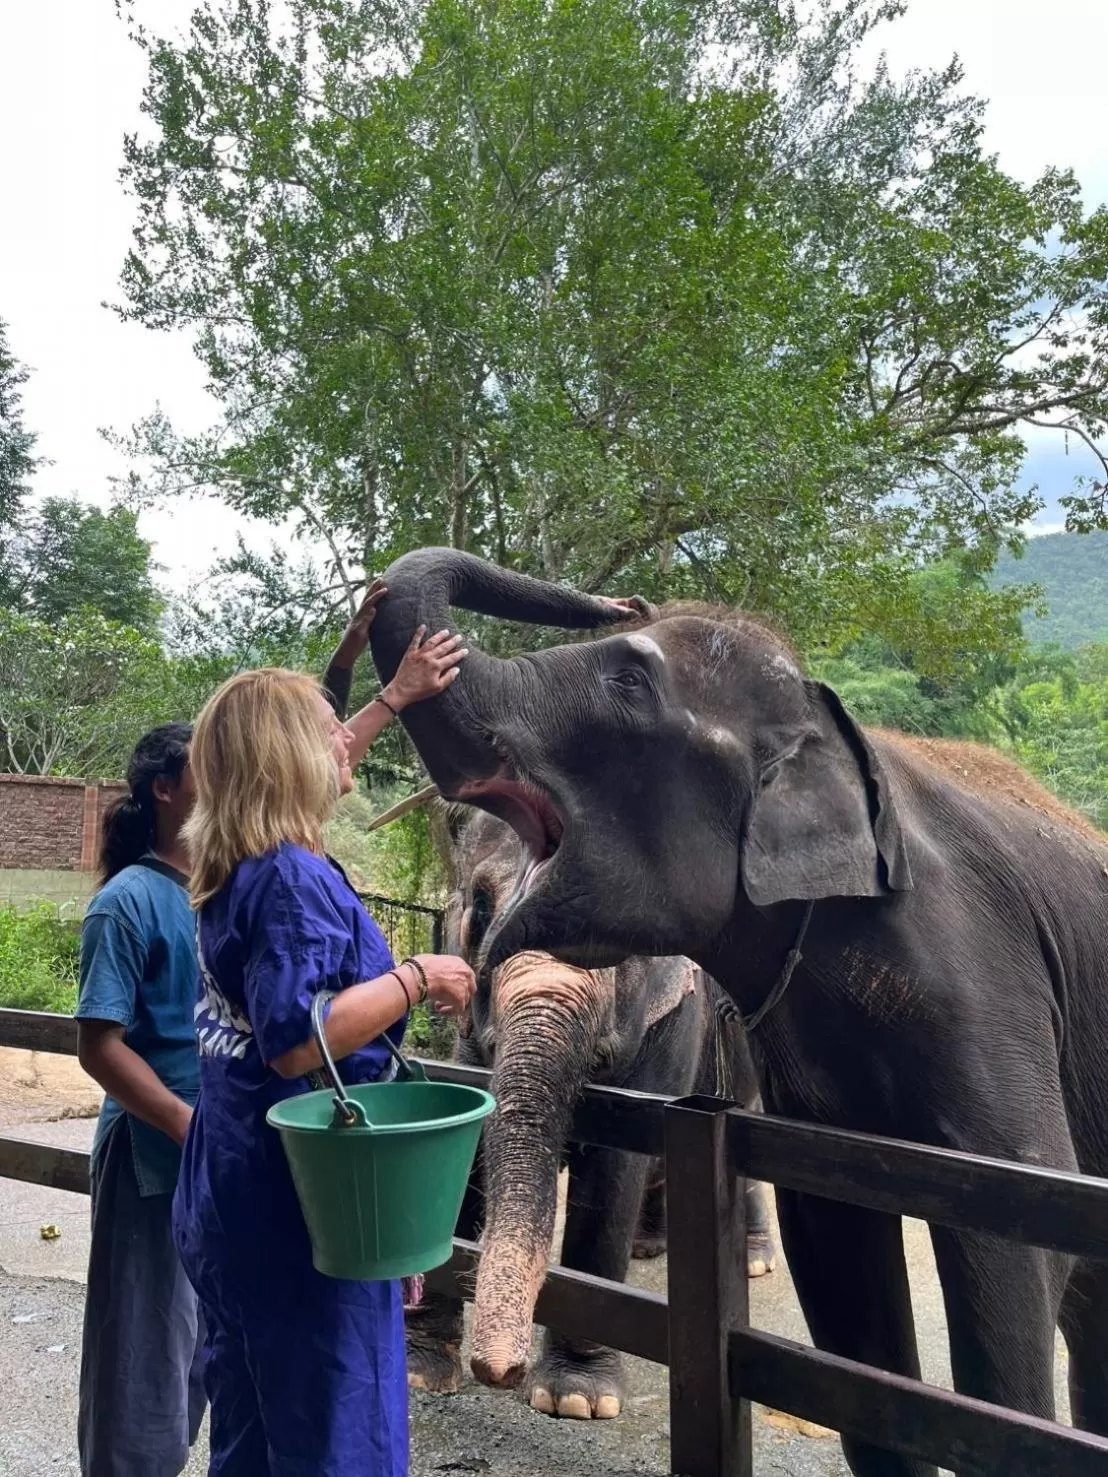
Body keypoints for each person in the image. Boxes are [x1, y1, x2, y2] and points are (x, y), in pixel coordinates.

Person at [173, 621, 477, 1476]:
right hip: (306, 1201)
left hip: (230, 1183)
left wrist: (394, 693)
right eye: (325, 729)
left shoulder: (240, 866)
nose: (345, 740)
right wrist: (420, 974)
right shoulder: (294, 878)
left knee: (254, 1424)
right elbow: (295, 1039)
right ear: (290, 759)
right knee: (337, 1429)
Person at [75, 723, 206, 1477]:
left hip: (206, 1154)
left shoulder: (220, 890)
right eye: (207, 767)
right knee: (140, 1356)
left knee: (195, 1350)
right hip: (150, 1156)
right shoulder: (125, 904)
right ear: (164, 789)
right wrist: (186, 1121)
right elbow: (99, 1045)